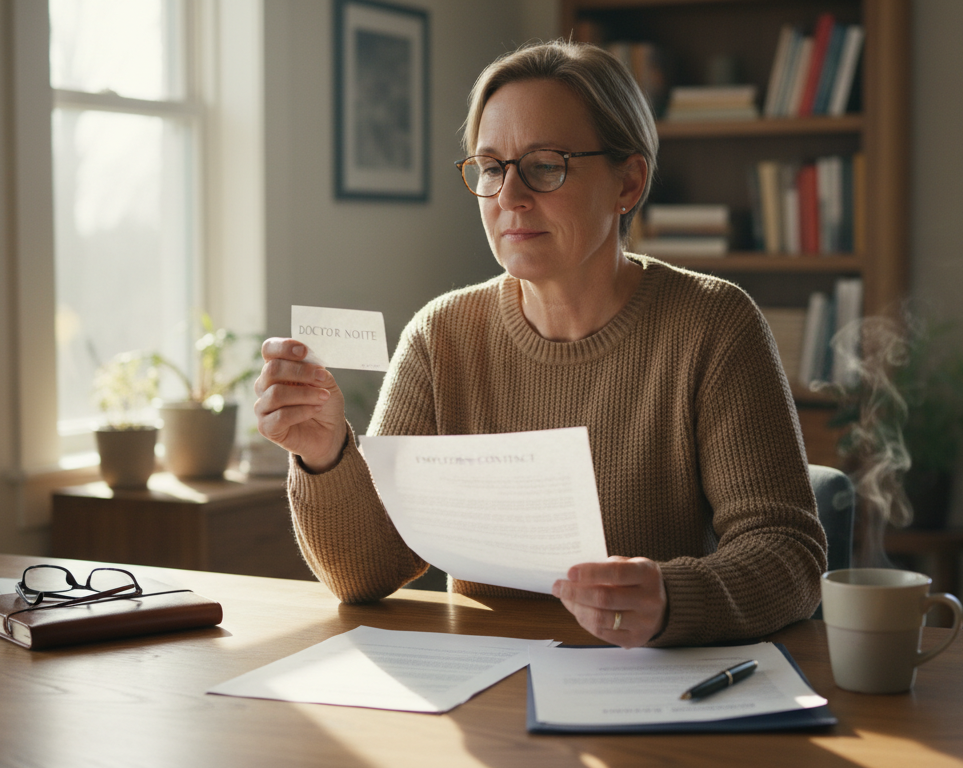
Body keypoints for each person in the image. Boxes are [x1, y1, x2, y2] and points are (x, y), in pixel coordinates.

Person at [253, 40, 825, 648]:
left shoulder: (713, 325)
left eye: (546, 165)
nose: (509, 196)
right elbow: (365, 574)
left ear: (628, 181)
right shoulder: (440, 337)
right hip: (482, 691)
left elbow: (788, 554)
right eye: (492, 166)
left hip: (647, 688)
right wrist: (323, 454)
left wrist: (672, 597)